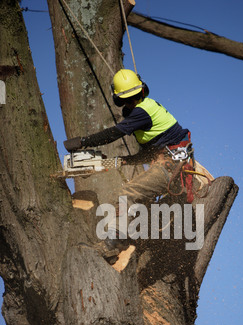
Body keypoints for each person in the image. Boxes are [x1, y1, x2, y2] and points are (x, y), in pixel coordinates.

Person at [64, 69, 194, 261]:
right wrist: (125, 160)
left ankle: (112, 245)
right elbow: (152, 152)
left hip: (171, 168)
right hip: (169, 164)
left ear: (142, 92)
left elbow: (114, 133)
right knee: (139, 203)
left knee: (129, 192)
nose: (131, 103)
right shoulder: (145, 110)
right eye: (128, 99)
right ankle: (127, 240)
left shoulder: (143, 112)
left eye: (132, 98)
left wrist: (83, 142)